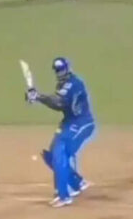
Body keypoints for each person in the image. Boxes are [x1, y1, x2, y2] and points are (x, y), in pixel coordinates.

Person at [26, 57, 96, 208]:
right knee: (52, 155)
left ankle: (63, 196)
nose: (59, 72)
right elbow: (56, 101)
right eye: (57, 70)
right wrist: (37, 97)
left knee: (60, 151)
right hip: (68, 123)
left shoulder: (74, 84)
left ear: (67, 68)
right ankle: (77, 183)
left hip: (82, 123)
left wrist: (38, 97)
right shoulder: (62, 84)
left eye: (61, 69)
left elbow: (59, 103)